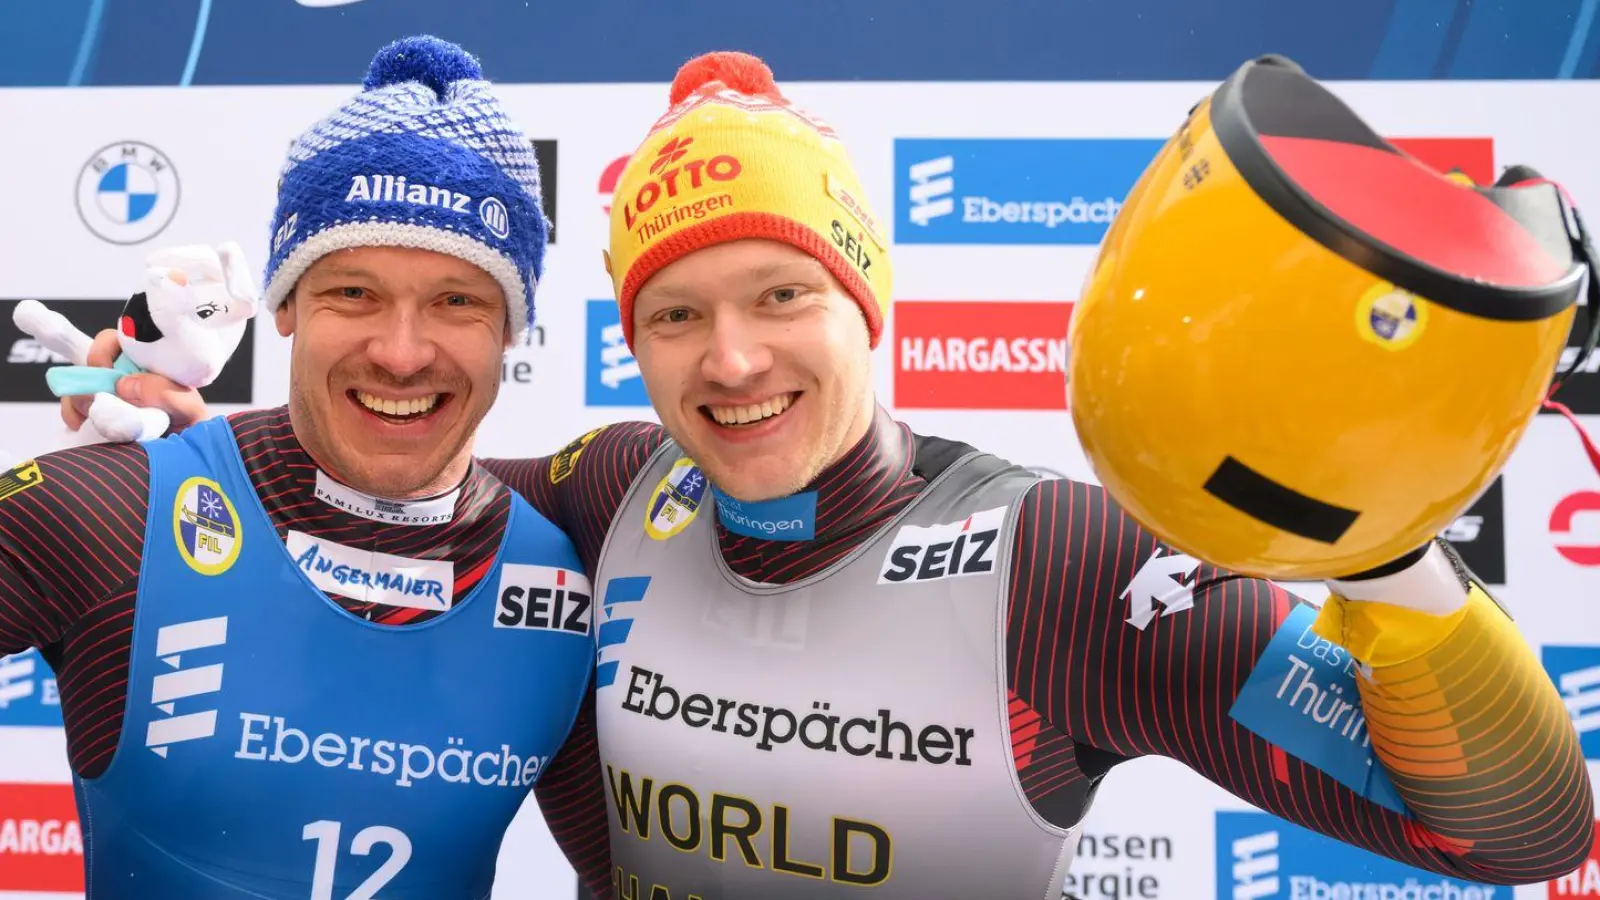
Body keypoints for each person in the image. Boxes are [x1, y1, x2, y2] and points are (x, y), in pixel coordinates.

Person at [85, 52, 1597, 900]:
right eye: (677, 315)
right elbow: (383, 468)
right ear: (635, 345)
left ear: (871, 305)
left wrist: (1394, 568)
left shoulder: (1053, 561)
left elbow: (1517, 835)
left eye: (782, 298)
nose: (732, 363)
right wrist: (179, 436)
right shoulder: (614, 492)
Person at [0, 36, 595, 899]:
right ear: (282, 308)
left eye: (457, 300)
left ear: (512, 330)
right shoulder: (113, 508)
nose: (399, 353)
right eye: (352, 291)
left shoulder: (574, 562)